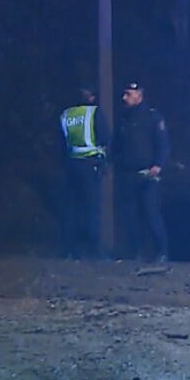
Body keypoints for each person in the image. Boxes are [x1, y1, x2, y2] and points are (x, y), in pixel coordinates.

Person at [116, 81, 170, 262]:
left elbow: (163, 144)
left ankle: (161, 252)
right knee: (131, 217)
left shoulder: (153, 117)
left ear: (139, 95)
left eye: (128, 94)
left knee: (151, 214)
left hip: (148, 174)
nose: (124, 98)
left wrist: (158, 165)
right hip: (128, 174)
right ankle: (136, 252)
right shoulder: (124, 118)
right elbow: (118, 145)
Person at [59, 84, 110, 259]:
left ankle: (69, 250)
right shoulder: (93, 113)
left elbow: (61, 142)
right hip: (90, 165)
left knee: (72, 208)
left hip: (72, 165)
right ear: (92, 97)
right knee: (92, 209)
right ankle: (95, 251)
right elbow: (105, 138)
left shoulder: (67, 114)